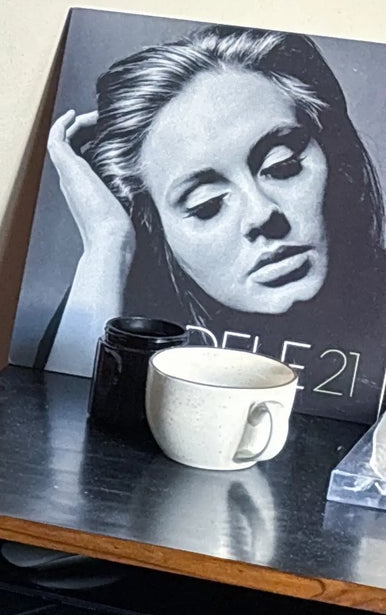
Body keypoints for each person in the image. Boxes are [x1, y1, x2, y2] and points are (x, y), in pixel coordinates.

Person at [36, 25, 386, 417]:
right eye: (206, 205)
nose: (261, 214)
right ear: (157, 226)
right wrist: (106, 244)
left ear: (333, 158)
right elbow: (60, 429)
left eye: (283, 166)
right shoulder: (120, 298)